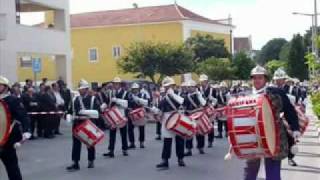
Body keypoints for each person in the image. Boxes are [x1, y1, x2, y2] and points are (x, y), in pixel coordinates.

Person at [243, 66, 300, 180]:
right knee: (250, 171)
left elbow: (289, 110)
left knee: (273, 171)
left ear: (266, 79)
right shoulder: (246, 95)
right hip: (253, 136)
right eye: (254, 78)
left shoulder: (277, 92)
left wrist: (295, 128)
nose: (257, 80)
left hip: (274, 134)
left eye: (260, 77)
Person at [0, 76, 31, 180]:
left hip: (8, 140)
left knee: (12, 169)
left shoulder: (12, 100)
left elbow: (23, 116)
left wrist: (26, 130)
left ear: (6, 87)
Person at [66, 79, 101, 171]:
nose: (80, 90)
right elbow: (70, 110)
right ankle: (75, 162)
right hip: (77, 124)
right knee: (76, 144)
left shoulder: (92, 99)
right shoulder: (75, 99)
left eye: (82, 89)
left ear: (86, 89)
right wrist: (68, 116)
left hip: (88, 123)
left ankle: (91, 160)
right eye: (79, 89)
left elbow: (98, 112)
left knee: (90, 143)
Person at [156, 76, 186, 170]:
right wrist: (157, 115)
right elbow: (160, 109)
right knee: (167, 141)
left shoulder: (179, 94)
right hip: (167, 119)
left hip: (178, 117)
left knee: (179, 140)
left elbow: (182, 102)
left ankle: (180, 158)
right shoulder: (164, 97)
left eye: (170, 86)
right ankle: (165, 160)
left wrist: (173, 94)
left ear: (173, 86)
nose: (168, 88)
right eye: (166, 86)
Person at [273, 68, 299, 167]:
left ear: (284, 80)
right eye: (277, 80)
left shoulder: (290, 88)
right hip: (274, 117)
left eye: (281, 79)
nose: (279, 81)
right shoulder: (270, 89)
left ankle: (290, 158)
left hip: (286, 116)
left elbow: (292, 104)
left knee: (290, 137)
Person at [103, 77, 129, 157]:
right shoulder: (110, 93)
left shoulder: (125, 93)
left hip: (121, 113)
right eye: (114, 83)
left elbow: (127, 104)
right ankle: (111, 150)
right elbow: (107, 102)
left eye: (117, 84)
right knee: (112, 133)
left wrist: (117, 100)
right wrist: (103, 106)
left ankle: (125, 149)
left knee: (123, 133)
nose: (115, 85)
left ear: (120, 84)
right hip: (113, 114)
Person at [182, 74, 207, 156]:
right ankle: (189, 149)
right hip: (189, 116)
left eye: (191, 87)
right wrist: (186, 111)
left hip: (198, 115)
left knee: (200, 132)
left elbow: (204, 105)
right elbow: (183, 107)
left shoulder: (199, 95)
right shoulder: (185, 96)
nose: (189, 88)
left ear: (195, 87)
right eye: (188, 87)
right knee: (189, 133)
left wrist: (195, 110)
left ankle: (201, 147)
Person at [128, 83, 149, 149]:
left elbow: (146, 103)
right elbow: (128, 103)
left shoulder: (143, 95)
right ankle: (132, 143)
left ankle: (141, 142)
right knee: (130, 128)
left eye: (136, 89)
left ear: (138, 89)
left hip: (140, 112)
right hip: (132, 112)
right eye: (133, 89)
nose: (135, 90)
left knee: (141, 128)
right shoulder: (130, 95)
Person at [199, 74, 217, 147]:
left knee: (210, 125)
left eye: (203, 81)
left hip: (209, 109)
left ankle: (210, 140)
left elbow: (216, 100)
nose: (202, 82)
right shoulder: (198, 89)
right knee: (201, 125)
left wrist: (212, 105)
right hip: (201, 109)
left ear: (206, 81)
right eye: (201, 81)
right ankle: (201, 144)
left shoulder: (212, 89)